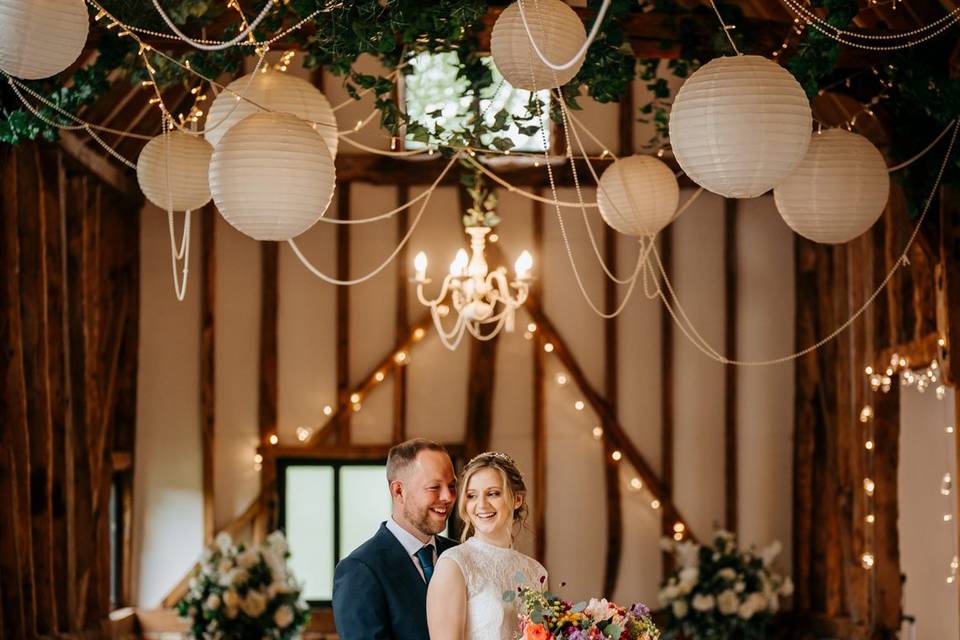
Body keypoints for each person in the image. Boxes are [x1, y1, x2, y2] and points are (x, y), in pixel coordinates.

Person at [333, 438, 458, 640]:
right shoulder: (360, 570)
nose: (448, 497)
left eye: (452, 486)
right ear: (398, 491)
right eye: (434, 487)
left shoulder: (460, 554)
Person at [426, 452, 547, 640]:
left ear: (517, 500)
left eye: (493, 493)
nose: (481, 504)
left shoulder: (536, 572)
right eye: (472, 496)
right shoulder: (454, 565)